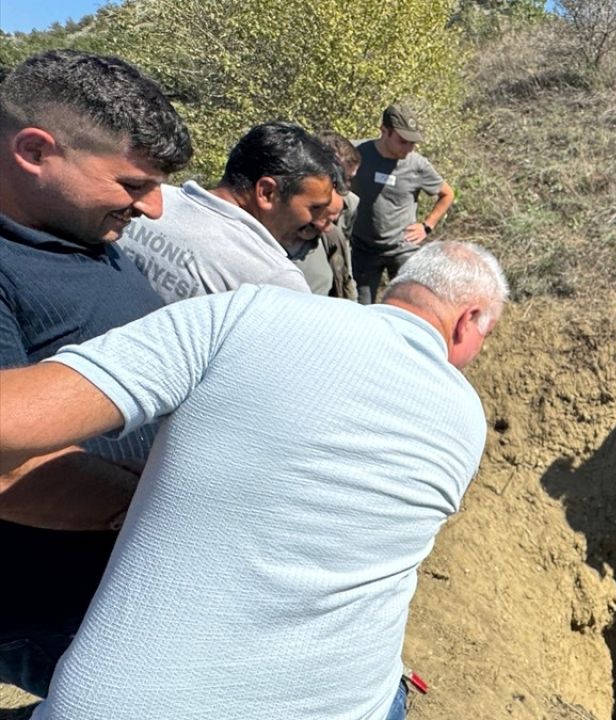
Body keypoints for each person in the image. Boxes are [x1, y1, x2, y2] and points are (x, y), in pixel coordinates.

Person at [0, 240, 507, 720]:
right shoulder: (466, 416)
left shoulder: (249, 312)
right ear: (469, 321)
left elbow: (15, 417)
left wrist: (127, 490)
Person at [0, 49, 193, 697]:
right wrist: (164, 505)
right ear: (34, 150)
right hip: (56, 609)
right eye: (134, 185)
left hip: (128, 578)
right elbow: (10, 473)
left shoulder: (84, 232)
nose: (154, 209)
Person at [117, 121, 340, 303]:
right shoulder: (275, 280)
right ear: (267, 192)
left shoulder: (137, 205)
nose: (320, 222)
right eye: (315, 208)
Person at [351, 104, 455, 305]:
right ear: (384, 131)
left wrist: (427, 226)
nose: (408, 148)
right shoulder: (357, 153)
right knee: (361, 309)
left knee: (411, 306)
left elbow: (447, 194)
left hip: (403, 249)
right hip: (363, 249)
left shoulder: (417, 165)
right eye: (403, 141)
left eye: (412, 143)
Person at [291, 130, 359, 299]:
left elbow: (345, 265)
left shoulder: (349, 204)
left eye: (349, 179)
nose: (345, 187)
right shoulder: (284, 210)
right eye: (339, 178)